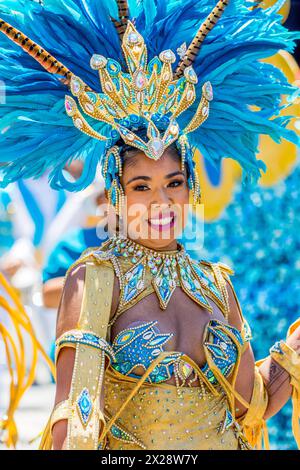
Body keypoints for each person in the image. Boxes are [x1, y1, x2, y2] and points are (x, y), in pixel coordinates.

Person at [0, 0, 299, 451]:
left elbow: (248, 407)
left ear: (190, 186)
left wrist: (292, 353)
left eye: (173, 182)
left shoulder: (216, 285)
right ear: (116, 196)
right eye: (142, 186)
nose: (161, 201)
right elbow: (72, 422)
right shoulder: (96, 281)